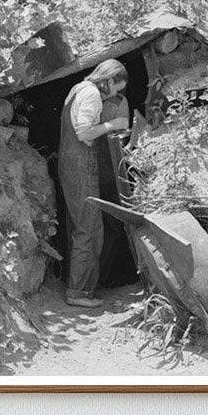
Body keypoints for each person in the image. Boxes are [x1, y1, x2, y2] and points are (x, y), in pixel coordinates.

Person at [58, 59, 130, 308]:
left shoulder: (78, 88)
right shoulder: (92, 94)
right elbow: (83, 132)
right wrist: (113, 124)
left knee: (81, 226)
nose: (115, 95)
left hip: (71, 164)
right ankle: (77, 292)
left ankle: (80, 288)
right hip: (79, 166)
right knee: (89, 229)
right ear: (109, 80)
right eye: (116, 88)